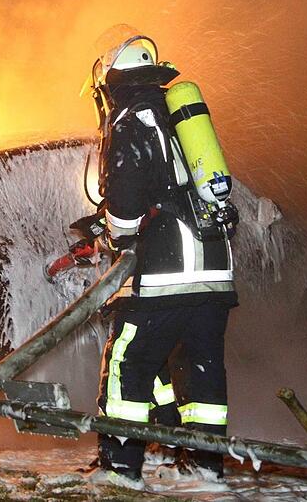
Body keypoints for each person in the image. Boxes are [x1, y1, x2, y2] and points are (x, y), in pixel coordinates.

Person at [82, 25, 239, 491]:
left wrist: (116, 233)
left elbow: (127, 201)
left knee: (127, 366)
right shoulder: (179, 114)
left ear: (111, 79)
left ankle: (119, 470)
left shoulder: (131, 118)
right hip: (214, 273)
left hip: (167, 273)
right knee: (202, 372)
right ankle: (206, 469)